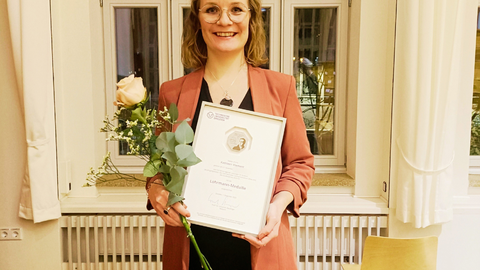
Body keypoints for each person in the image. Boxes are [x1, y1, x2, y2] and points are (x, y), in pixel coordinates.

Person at [146, 0, 314, 269]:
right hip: (193, 247)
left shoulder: (280, 88)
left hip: (261, 246)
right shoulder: (172, 92)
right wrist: (156, 191)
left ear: (251, 18)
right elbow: (158, 168)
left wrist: (278, 205)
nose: (224, 21)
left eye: (236, 9)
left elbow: (300, 164)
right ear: (197, 20)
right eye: (212, 9)